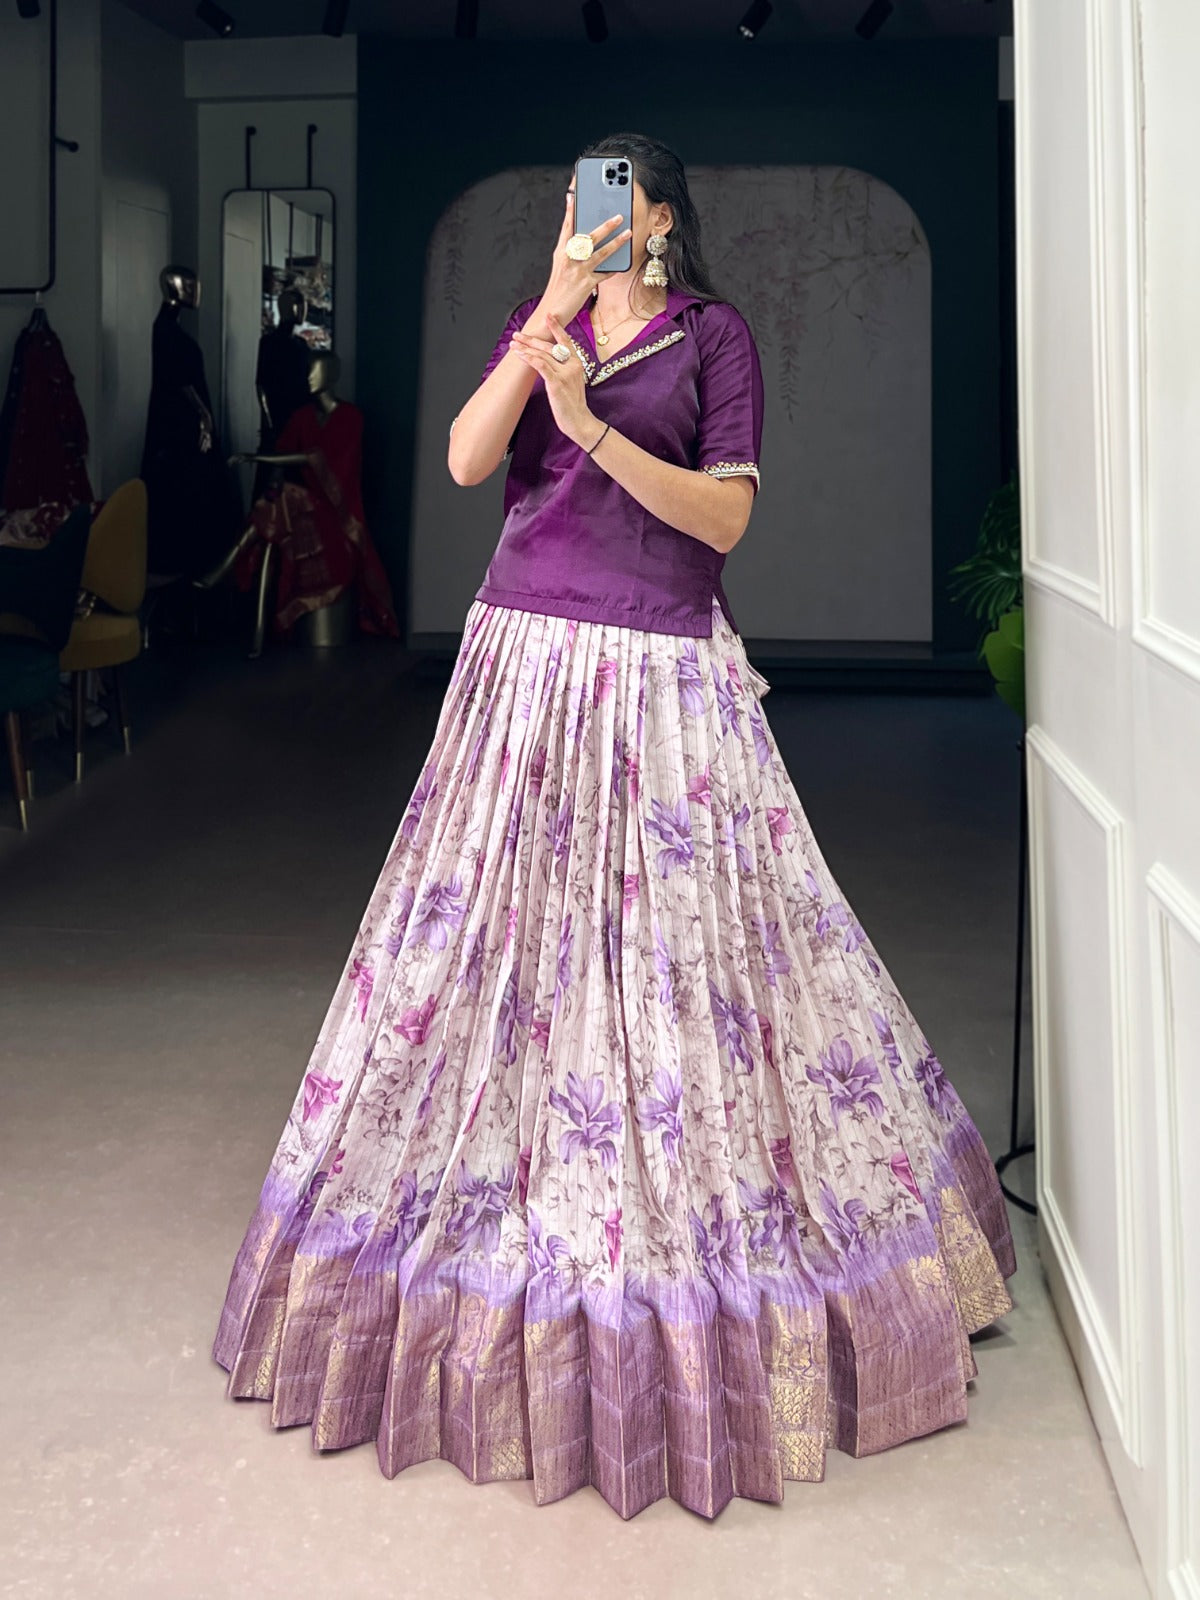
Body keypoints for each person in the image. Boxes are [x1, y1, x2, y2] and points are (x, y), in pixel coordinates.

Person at [211, 132, 1017, 1520]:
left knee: (690, 967)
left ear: (661, 217)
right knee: (487, 959)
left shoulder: (713, 338)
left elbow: (724, 519)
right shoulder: (547, 321)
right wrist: (544, 325)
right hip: (522, 664)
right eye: (576, 199)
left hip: (662, 675)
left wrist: (591, 426)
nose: (591, 218)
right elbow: (468, 459)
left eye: (614, 199)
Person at [197, 351, 398, 656]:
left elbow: (318, 459)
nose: (308, 378)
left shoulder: (350, 418)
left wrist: (257, 458)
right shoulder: (302, 417)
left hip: (339, 514)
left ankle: (226, 566)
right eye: (307, 371)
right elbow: (285, 449)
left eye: (314, 371)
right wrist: (274, 479)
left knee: (282, 506)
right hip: (307, 509)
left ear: (331, 374)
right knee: (272, 525)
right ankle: (257, 635)